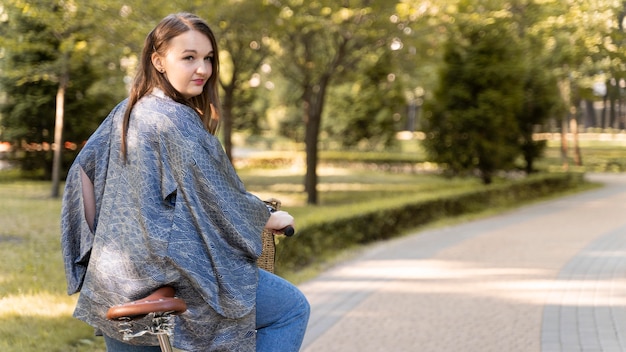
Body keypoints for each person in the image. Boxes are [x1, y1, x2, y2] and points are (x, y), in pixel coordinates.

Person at [61, 13, 310, 352]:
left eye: (208, 58)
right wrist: (266, 216)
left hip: (114, 279)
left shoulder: (125, 112)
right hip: (172, 274)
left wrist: (101, 249)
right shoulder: (178, 121)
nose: (203, 69)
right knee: (290, 310)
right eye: (189, 57)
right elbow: (221, 198)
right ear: (158, 61)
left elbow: (81, 177)